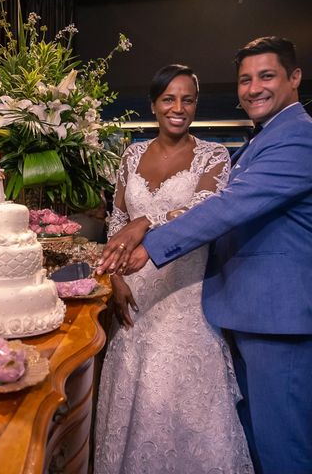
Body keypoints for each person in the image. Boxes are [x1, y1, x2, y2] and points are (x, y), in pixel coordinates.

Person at [97, 37, 312, 474]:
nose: (253, 88)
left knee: (283, 449)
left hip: (270, 313)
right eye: (245, 79)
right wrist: (118, 268)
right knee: (262, 442)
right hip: (242, 308)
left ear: (294, 79)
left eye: (266, 76)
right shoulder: (261, 140)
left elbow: (224, 207)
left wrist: (149, 232)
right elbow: (117, 218)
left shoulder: (296, 139)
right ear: (153, 104)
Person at [94, 64, 253, 473]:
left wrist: (146, 221)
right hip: (134, 298)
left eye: (188, 99)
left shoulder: (213, 155)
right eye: (169, 99)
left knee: (184, 411)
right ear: (154, 104)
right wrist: (115, 278)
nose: (178, 108)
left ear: (196, 105)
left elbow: (203, 213)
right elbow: (116, 221)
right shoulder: (131, 155)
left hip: (185, 302)